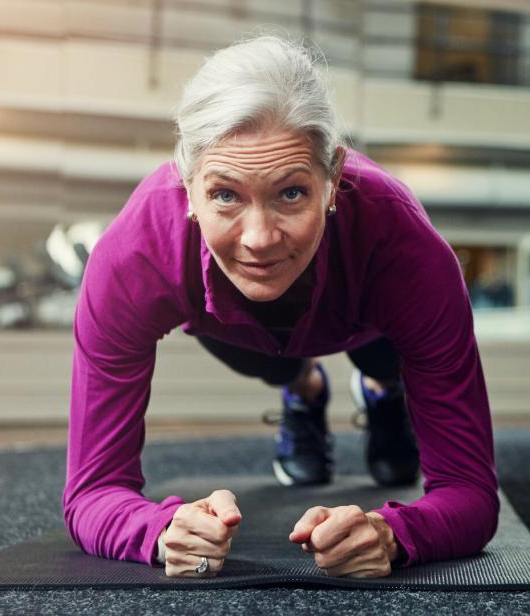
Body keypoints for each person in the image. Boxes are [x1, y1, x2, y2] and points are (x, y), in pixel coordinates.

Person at [62, 34, 499, 579]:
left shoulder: (406, 249)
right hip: (234, 331)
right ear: (188, 184)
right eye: (225, 195)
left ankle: (384, 392)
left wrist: (393, 534)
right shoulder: (132, 257)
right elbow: (92, 492)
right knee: (275, 361)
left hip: (370, 326)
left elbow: (471, 496)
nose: (260, 239)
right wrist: (158, 530)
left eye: (291, 193)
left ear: (333, 179)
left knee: (388, 370)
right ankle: (305, 388)